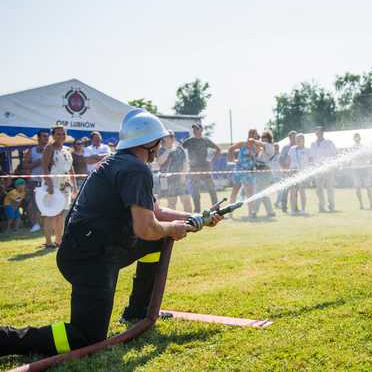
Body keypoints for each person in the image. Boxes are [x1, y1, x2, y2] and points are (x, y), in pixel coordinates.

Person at [0, 108, 223, 357]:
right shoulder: (136, 170)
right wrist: (175, 229)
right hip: (91, 259)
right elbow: (146, 228)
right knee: (85, 338)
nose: (160, 147)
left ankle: (138, 310)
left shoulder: (123, 163)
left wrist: (197, 217)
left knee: (156, 244)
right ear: (149, 143)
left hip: (100, 248)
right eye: (158, 142)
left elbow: (155, 212)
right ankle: (7, 340)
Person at [41, 126, 77, 248]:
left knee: (62, 213)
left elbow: (71, 169)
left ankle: (59, 240)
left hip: (65, 185)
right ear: (53, 135)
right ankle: (48, 242)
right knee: (50, 212)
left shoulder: (67, 149)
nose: (61, 136)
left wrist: (75, 186)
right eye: (58, 134)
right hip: (52, 183)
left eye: (63, 134)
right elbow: (45, 167)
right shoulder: (49, 148)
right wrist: (49, 184)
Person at [182, 123, 220, 212]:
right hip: (194, 169)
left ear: (201, 130)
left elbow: (218, 149)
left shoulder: (205, 140)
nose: (195, 130)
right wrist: (186, 162)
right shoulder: (189, 140)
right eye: (194, 129)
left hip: (205, 168)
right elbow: (179, 150)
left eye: (197, 129)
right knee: (195, 191)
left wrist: (211, 161)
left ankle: (217, 210)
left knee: (212, 190)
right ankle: (197, 211)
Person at [227, 129, 260, 219]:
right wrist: (233, 160)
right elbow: (231, 149)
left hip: (249, 171)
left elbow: (257, 157)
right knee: (235, 191)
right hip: (239, 171)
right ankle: (230, 213)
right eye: (253, 134)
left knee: (250, 193)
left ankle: (250, 213)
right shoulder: (242, 144)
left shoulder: (256, 146)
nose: (254, 136)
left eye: (255, 135)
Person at [157, 131, 192, 213]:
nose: (171, 138)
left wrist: (183, 176)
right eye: (168, 137)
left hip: (180, 179)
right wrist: (168, 150)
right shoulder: (161, 150)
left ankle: (190, 219)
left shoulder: (180, 149)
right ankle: (172, 221)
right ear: (164, 138)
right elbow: (160, 162)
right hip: (167, 181)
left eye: (172, 136)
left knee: (186, 200)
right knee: (172, 202)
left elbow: (185, 163)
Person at [23, 129, 49, 232]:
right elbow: (24, 165)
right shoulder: (32, 150)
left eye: (47, 136)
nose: (46, 138)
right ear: (38, 138)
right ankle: (35, 224)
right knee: (34, 204)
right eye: (44, 136)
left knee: (47, 202)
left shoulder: (52, 149)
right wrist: (37, 163)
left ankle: (47, 224)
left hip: (49, 181)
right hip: (34, 180)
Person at [310, 127, 337, 212]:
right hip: (317, 170)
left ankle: (331, 206)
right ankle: (321, 207)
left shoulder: (329, 142)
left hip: (328, 168)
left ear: (323, 133)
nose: (318, 133)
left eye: (320, 132)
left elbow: (335, 154)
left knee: (329, 188)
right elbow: (311, 157)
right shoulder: (312, 144)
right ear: (315, 133)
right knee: (319, 190)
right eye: (316, 132)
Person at [254, 130, 276, 217]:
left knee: (259, 192)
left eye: (265, 137)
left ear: (269, 139)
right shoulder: (262, 150)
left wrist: (252, 139)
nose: (263, 139)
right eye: (262, 138)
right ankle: (270, 212)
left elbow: (260, 144)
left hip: (265, 172)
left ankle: (254, 212)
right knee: (264, 193)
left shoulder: (269, 146)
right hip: (260, 173)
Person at [288, 133, 311, 215]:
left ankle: (303, 210)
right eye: (296, 139)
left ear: (303, 140)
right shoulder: (292, 149)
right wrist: (289, 170)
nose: (297, 141)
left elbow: (311, 161)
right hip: (293, 173)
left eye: (299, 139)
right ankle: (293, 210)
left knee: (302, 191)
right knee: (293, 192)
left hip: (303, 173)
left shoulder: (308, 150)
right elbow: (289, 160)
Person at [350, 133, 372, 210]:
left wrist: (365, 158)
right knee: (357, 187)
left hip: (364, 168)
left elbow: (367, 155)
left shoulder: (363, 146)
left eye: (358, 137)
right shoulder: (352, 148)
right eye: (355, 137)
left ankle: (371, 204)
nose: (357, 139)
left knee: (368, 187)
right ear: (353, 139)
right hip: (355, 169)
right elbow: (353, 157)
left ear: (360, 138)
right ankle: (361, 204)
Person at [277, 131, 297, 213]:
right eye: (292, 137)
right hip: (287, 172)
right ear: (289, 138)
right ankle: (284, 207)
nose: (293, 139)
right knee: (285, 190)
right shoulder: (285, 148)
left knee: (295, 190)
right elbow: (280, 159)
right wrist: (284, 169)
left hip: (295, 172)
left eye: (295, 137)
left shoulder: (298, 147)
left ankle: (295, 207)